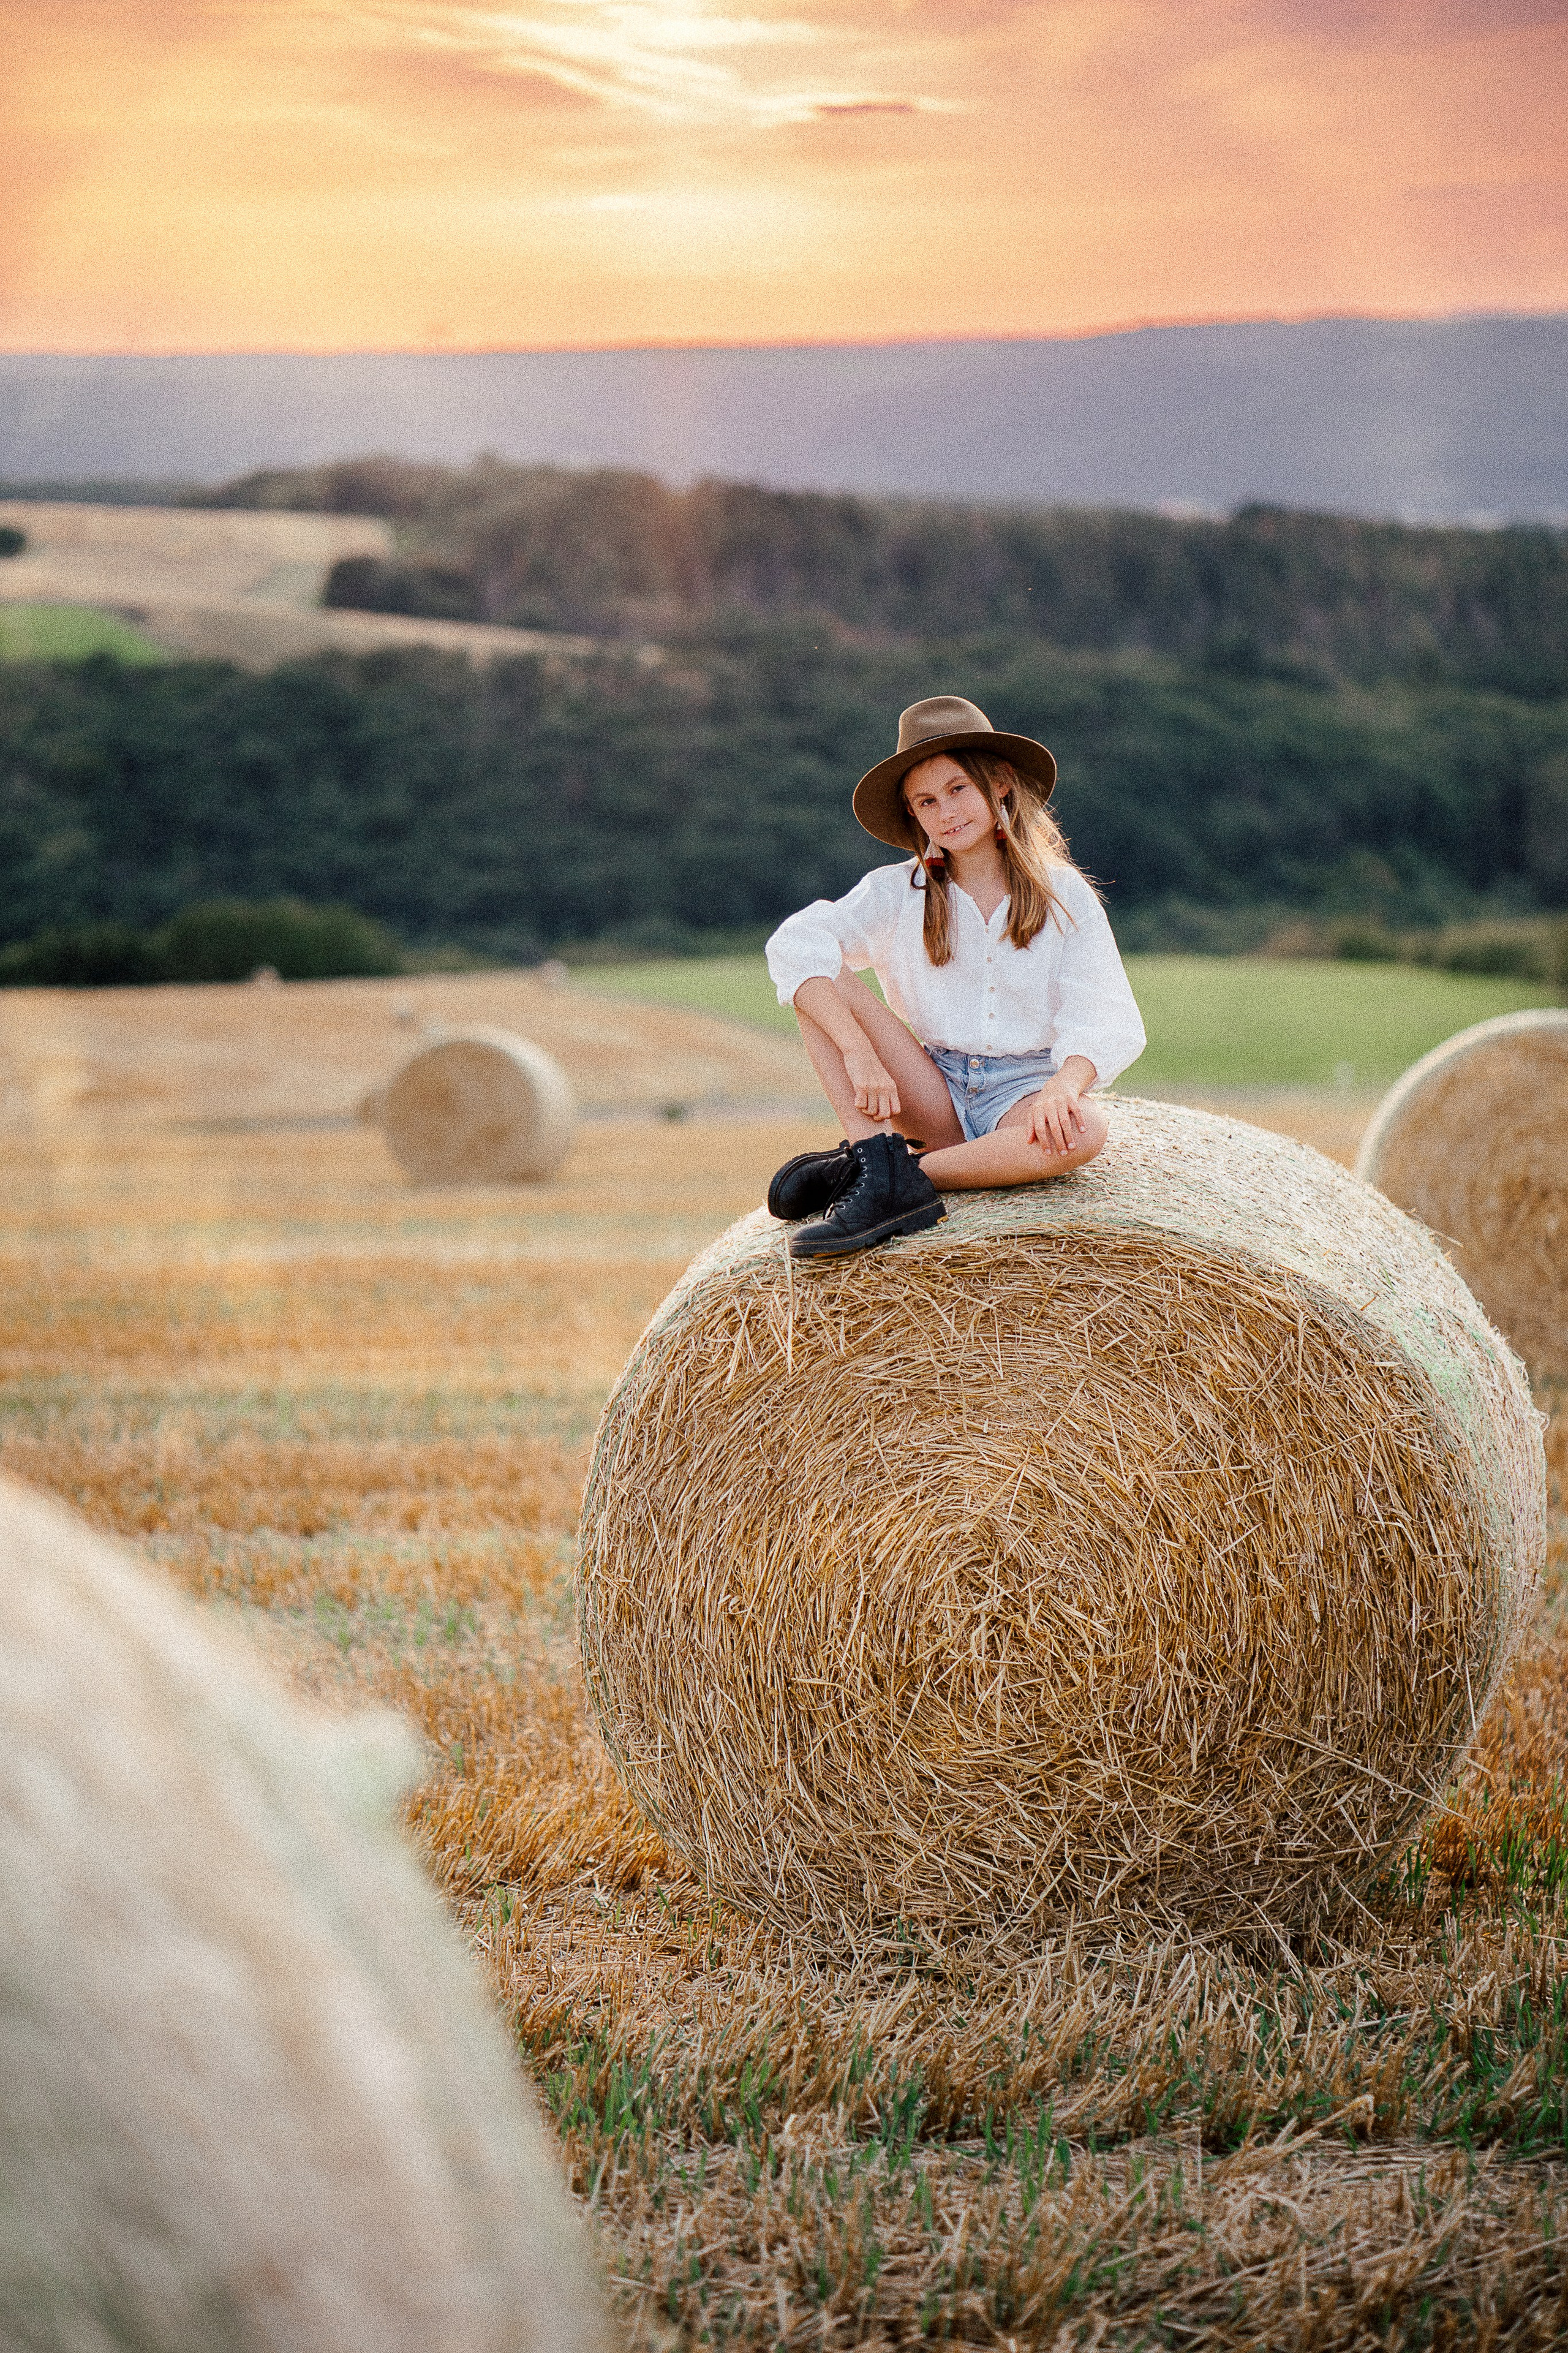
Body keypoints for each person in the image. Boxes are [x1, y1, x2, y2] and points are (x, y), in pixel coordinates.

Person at [764, 695, 1146, 1260]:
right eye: (927, 800)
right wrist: (858, 1052)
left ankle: (891, 1177)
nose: (946, 811)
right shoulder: (897, 892)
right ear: (913, 815)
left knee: (1085, 1131)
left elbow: (1103, 1010)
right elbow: (793, 945)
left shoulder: (1063, 895)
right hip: (933, 1085)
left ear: (1001, 784)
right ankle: (875, 1154)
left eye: (958, 789)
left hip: (1023, 1092)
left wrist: (1064, 1086)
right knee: (817, 977)